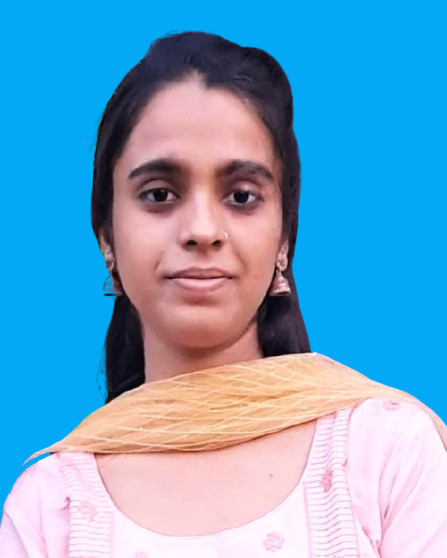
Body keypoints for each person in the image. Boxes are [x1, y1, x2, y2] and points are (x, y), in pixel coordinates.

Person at [1, 31, 446, 557]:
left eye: (241, 196)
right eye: (159, 194)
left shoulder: (386, 456)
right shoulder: (51, 507)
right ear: (107, 238)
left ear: (283, 240)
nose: (202, 230)